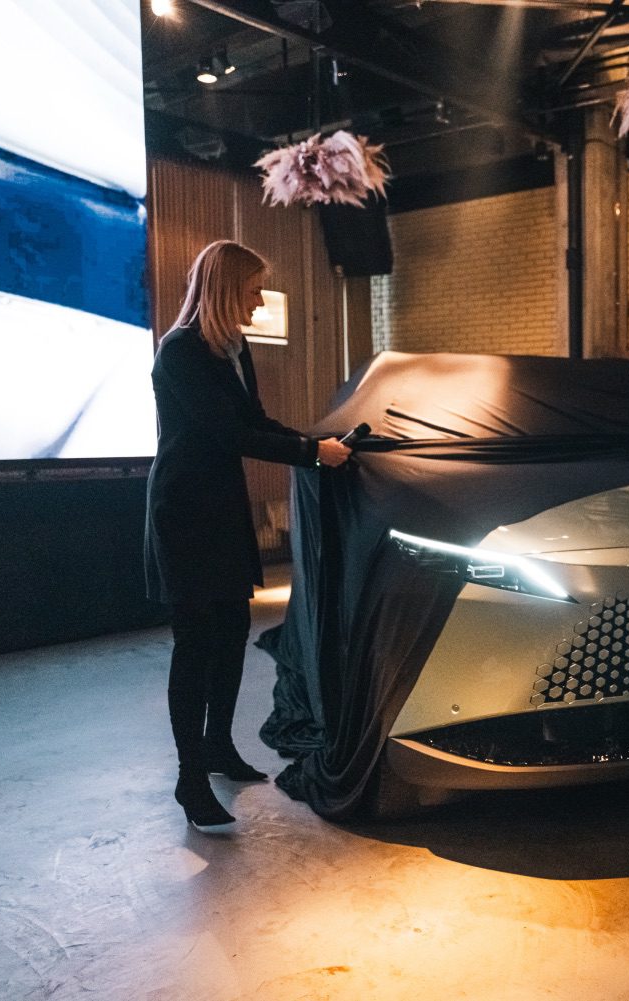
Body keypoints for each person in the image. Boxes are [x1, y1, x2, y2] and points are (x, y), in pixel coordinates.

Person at [144, 240, 352, 830]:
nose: (259, 301)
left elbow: (254, 422)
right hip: (185, 514)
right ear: (226, 288)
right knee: (195, 644)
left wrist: (315, 440)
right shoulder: (180, 351)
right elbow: (225, 433)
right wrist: (312, 453)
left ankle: (219, 746)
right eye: (254, 289)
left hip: (222, 507)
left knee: (233, 631)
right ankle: (190, 777)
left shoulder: (235, 348)